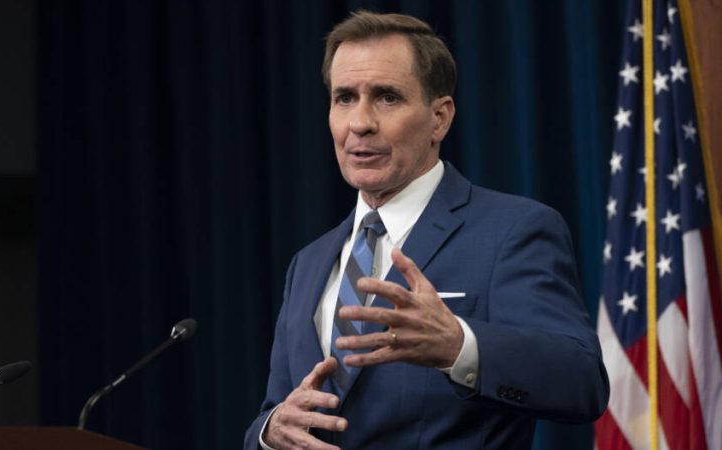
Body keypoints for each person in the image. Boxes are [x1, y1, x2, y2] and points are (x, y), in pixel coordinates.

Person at [245, 10, 609, 450]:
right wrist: (270, 431)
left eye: (387, 98)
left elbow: (581, 380)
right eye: (344, 98)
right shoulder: (308, 263)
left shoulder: (513, 231)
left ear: (440, 117)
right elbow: (272, 409)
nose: (360, 122)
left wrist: (459, 346)